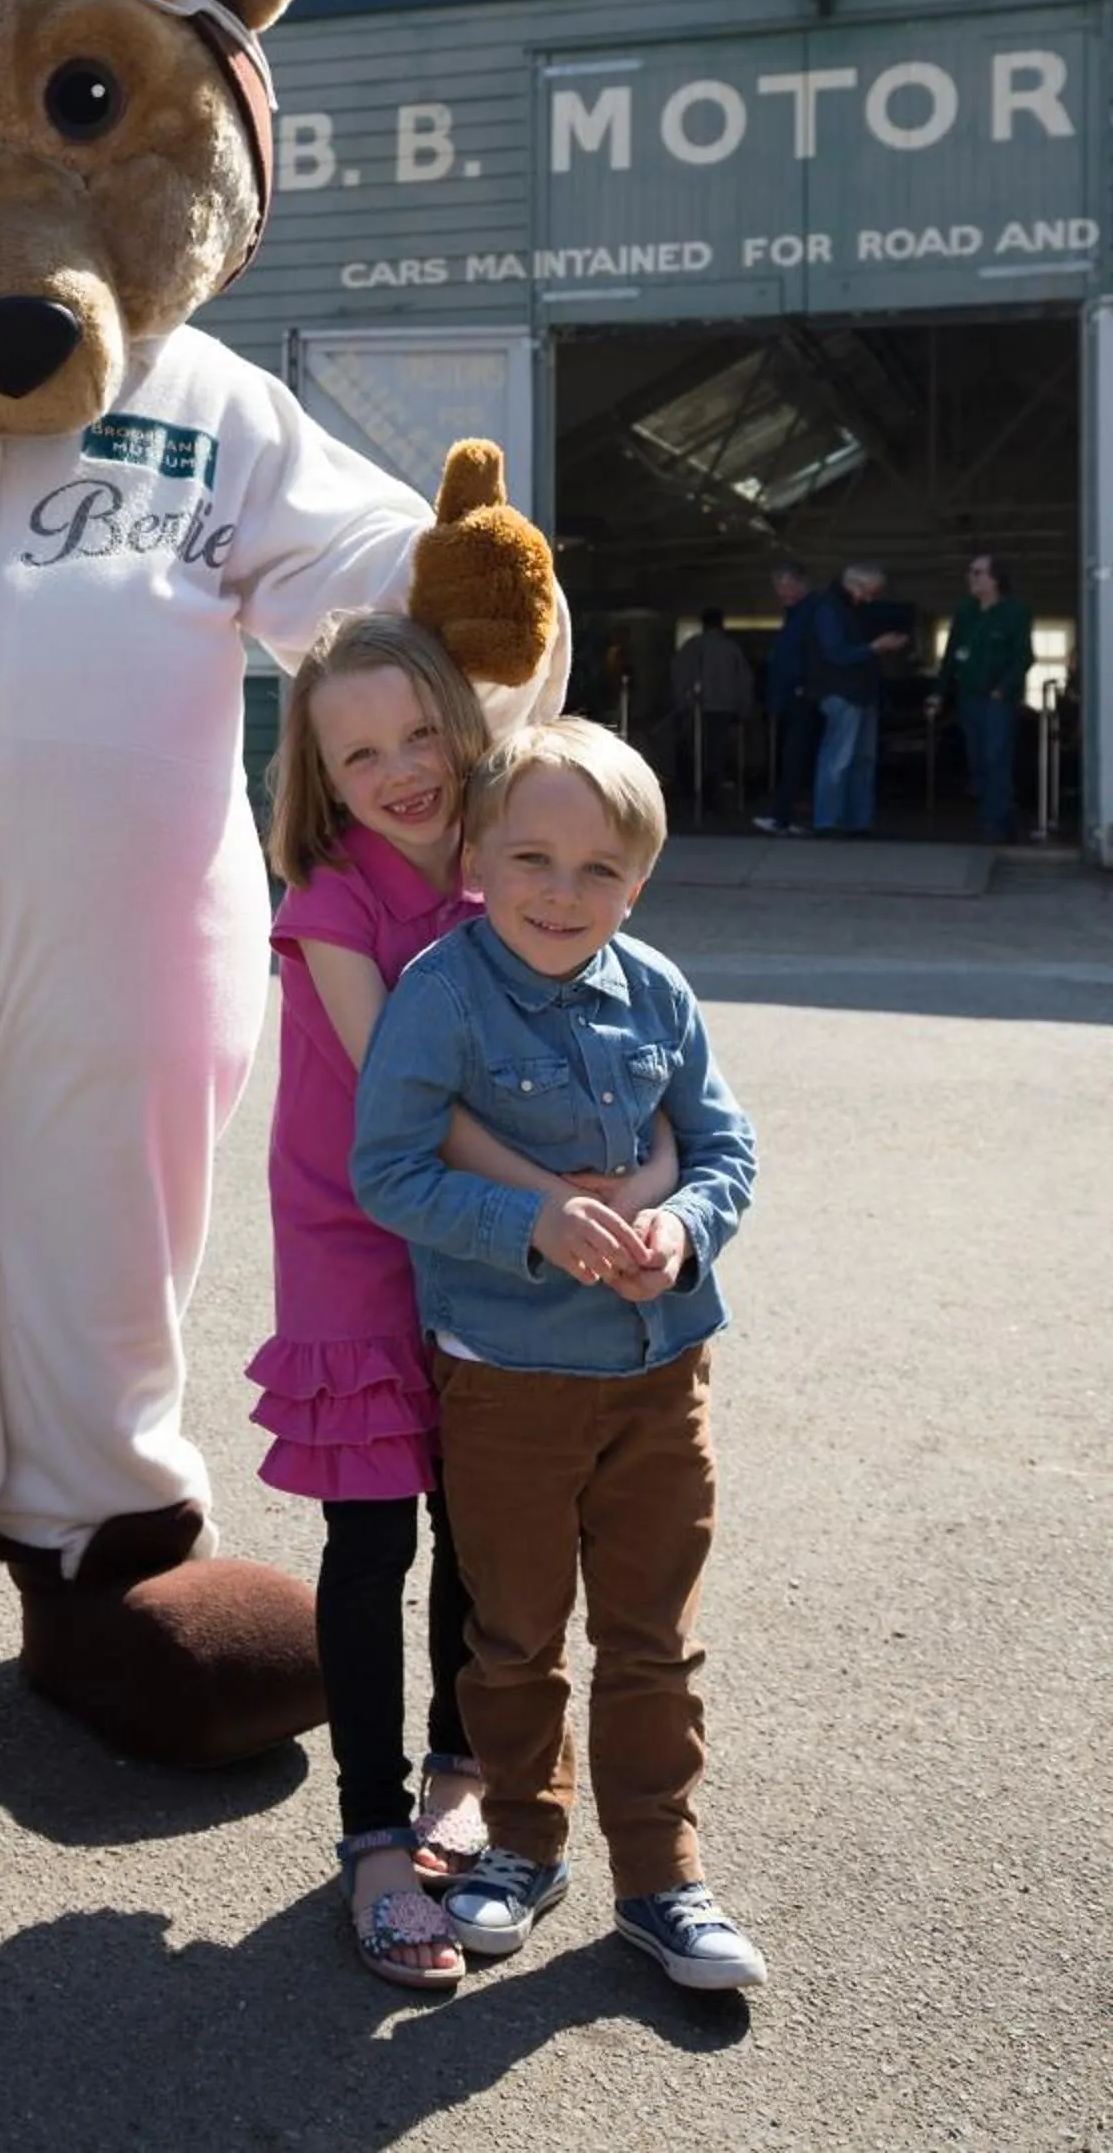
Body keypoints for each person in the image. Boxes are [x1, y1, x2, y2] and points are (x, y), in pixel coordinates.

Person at [251, 616, 680, 1990]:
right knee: (374, 1537)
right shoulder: (331, 902)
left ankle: (459, 1768)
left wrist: (632, 1186)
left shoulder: (514, 878)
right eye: (357, 751)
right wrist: (565, 1195)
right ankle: (374, 1839)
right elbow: (407, 1114)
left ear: (464, 722)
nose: (398, 770)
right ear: (318, 774)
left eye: (419, 734)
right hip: (364, 1241)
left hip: (501, 1248)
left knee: (484, 1526)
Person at [351, 718, 765, 1994]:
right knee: (516, 1639)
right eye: (529, 857)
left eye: (599, 870)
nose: (560, 892)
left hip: (659, 1378)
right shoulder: (438, 993)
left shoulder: (657, 989)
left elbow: (724, 1152)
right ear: (474, 854)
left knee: (651, 1640)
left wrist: (681, 1231)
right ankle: (521, 1849)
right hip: (507, 1383)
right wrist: (528, 1220)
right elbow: (387, 1171)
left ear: (636, 882)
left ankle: (661, 1877)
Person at [804, 562, 908, 838]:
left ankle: (856, 821)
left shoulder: (847, 609)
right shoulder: (828, 609)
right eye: (869, 591)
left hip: (861, 692)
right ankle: (828, 821)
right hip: (842, 692)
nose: (870, 598)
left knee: (861, 759)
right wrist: (875, 647)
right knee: (839, 758)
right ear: (855, 585)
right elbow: (836, 653)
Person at [942, 551, 1032, 842]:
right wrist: (938, 693)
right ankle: (1000, 818)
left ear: (995, 579)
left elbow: (1023, 656)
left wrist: (1003, 688)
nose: (972, 577)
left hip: (997, 701)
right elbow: (950, 655)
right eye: (971, 571)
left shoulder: (1015, 612)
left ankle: (995, 822)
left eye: (978, 572)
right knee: (977, 759)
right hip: (969, 697)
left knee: (995, 758)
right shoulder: (965, 611)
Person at [752, 562, 818, 836]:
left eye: (785, 583)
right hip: (789, 696)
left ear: (800, 582)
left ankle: (785, 815)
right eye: (778, 585)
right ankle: (789, 813)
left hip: (799, 695)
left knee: (796, 756)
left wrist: (801, 685)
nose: (781, 591)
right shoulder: (797, 614)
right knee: (793, 756)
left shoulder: (808, 613)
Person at [668, 609, 753, 814]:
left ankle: (695, 794)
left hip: (697, 708)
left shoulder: (692, 646)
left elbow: (679, 675)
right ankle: (713, 794)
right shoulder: (731, 648)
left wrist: (682, 702)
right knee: (717, 753)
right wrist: (743, 709)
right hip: (724, 708)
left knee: (695, 751)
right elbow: (743, 680)